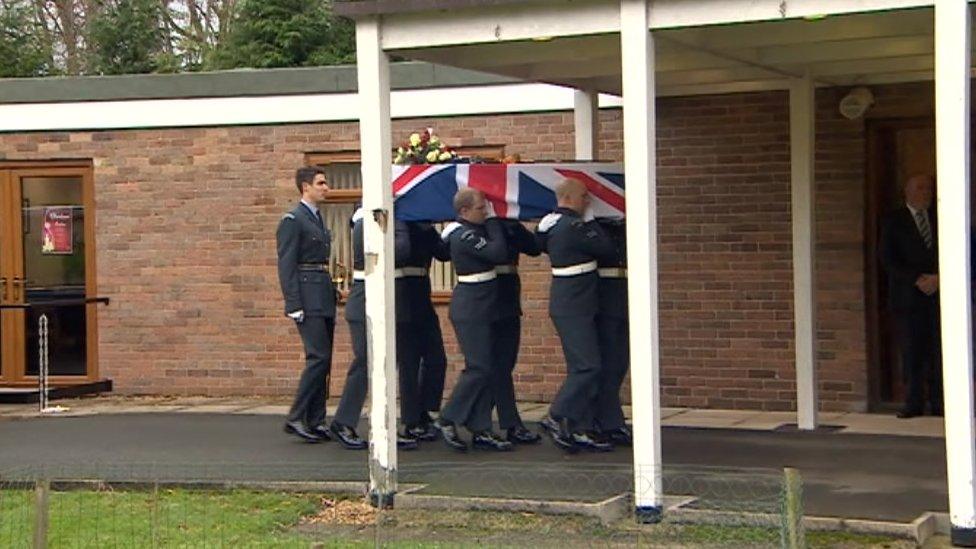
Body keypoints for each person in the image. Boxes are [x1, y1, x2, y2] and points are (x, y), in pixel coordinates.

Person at [536, 178, 616, 453]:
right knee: (588, 366)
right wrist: (592, 222)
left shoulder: (552, 225)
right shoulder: (573, 226)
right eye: (584, 197)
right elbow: (606, 249)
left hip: (575, 303)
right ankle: (556, 415)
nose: (588, 202)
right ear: (569, 198)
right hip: (574, 305)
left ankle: (577, 425)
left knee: (582, 366)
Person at [330, 206, 418, 450]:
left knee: (387, 365)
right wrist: (399, 222)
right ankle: (343, 421)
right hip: (366, 301)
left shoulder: (378, 220)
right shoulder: (365, 223)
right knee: (365, 362)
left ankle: (385, 427)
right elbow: (400, 250)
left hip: (384, 300)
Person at [435, 188, 513, 452]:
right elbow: (498, 253)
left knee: (488, 367)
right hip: (471, 307)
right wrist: (493, 220)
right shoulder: (463, 234)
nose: (486, 211)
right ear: (464, 211)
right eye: (482, 208)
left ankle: (480, 427)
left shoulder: (467, 230)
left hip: (485, 303)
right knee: (478, 367)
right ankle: (448, 417)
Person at [276, 166, 338, 442]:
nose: (326, 187)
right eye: (321, 183)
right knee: (317, 357)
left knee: (325, 360)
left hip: (322, 291)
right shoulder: (293, 219)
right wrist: (293, 302)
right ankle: (296, 416)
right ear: (306, 187)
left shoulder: (317, 218)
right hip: (306, 292)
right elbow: (286, 264)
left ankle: (316, 419)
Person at [880, 174, 942, 418]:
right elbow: (887, 259)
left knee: (938, 352)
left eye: (928, 189)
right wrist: (917, 279)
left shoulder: (941, 218)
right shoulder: (893, 221)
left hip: (939, 297)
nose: (924, 192)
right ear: (907, 191)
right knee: (912, 352)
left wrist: (939, 278)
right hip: (908, 298)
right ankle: (913, 402)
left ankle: (939, 403)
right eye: (919, 188)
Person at [489, 217, 543, 444]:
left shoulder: (509, 224)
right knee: (493, 367)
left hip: (509, 298)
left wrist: (514, 225)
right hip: (487, 299)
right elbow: (498, 254)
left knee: (505, 364)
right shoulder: (480, 227)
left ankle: (482, 419)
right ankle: (507, 423)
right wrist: (494, 224)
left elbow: (533, 248)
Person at [396, 221, 450, 441]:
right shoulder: (395, 225)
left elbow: (444, 253)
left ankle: (426, 410)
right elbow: (401, 252)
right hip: (401, 295)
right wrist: (401, 226)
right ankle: (409, 420)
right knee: (408, 361)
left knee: (437, 358)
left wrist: (449, 231)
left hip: (422, 295)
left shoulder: (423, 227)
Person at [593, 217, 632, 445]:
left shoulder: (624, 225)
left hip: (622, 291)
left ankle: (611, 418)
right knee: (607, 363)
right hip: (604, 295)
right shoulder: (595, 228)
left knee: (619, 363)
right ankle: (606, 420)